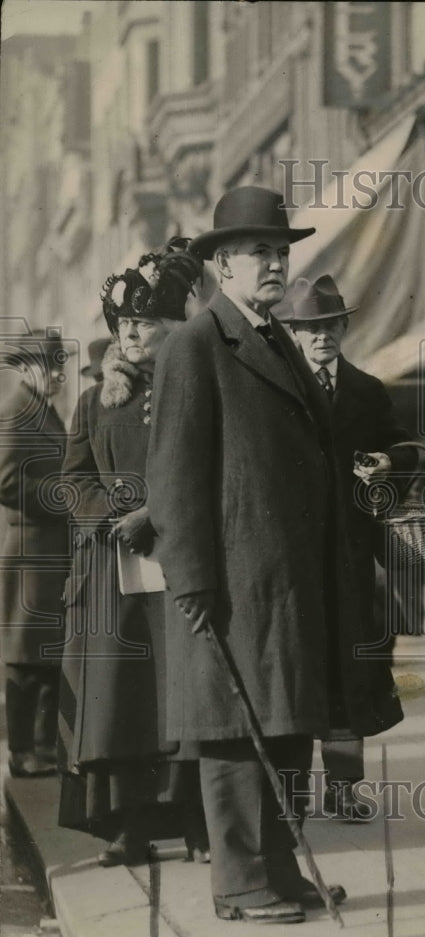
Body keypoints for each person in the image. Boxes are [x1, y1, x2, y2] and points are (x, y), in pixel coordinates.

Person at [146, 187, 403, 925]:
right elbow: (175, 475)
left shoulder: (276, 338)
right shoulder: (196, 347)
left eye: (281, 252)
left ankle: (280, 872)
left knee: (288, 725)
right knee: (234, 735)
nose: (275, 263)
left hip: (291, 580)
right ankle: (239, 882)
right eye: (260, 252)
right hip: (233, 581)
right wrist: (191, 579)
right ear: (221, 265)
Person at [57, 241, 210, 866]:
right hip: (112, 569)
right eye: (123, 324)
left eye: (144, 322)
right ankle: (131, 825)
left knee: (184, 695)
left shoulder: (193, 384)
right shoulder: (97, 399)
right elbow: (73, 477)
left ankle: (200, 822)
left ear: (171, 326)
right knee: (124, 699)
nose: (132, 333)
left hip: (177, 556)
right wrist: (105, 518)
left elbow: (206, 466)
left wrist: (156, 517)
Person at [280, 274, 415, 822]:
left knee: (349, 672)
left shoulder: (366, 390)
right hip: (291, 556)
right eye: (308, 329)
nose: (320, 338)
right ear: (292, 333)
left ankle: (344, 787)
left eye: (328, 326)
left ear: (343, 327)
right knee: (291, 670)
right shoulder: (278, 390)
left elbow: (400, 446)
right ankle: (291, 792)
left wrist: (392, 464)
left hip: (354, 556)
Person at [0, 331, 70, 778]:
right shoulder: (17, 411)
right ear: (26, 369)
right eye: (51, 366)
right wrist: (60, 496)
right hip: (30, 553)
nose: (60, 374)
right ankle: (23, 751)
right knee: (26, 659)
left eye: (62, 365)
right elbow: (5, 481)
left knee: (43, 656)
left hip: (46, 551)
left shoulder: (39, 409)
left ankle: (40, 748)